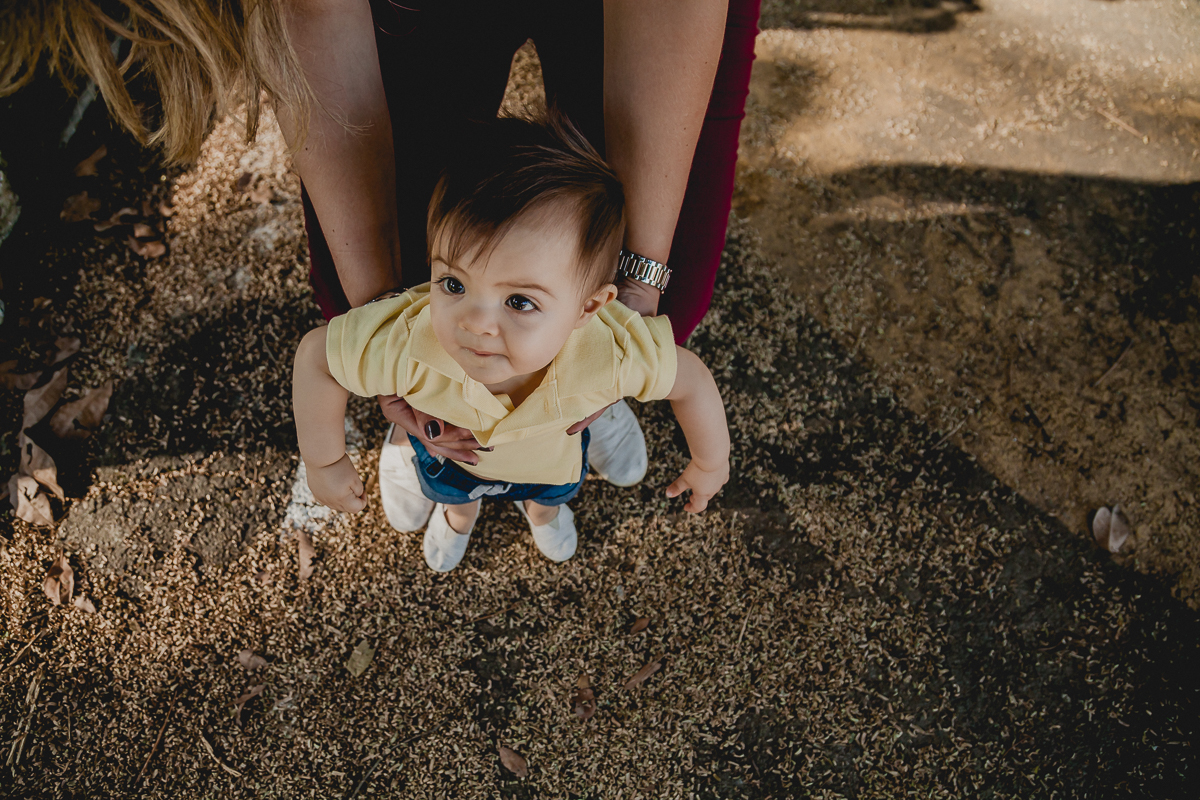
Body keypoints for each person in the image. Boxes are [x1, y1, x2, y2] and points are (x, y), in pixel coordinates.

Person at [292, 116, 730, 571]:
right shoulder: (408, 339)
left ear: (588, 308)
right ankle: (460, 515)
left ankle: (544, 513)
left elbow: (691, 379)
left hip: (550, 468)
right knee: (456, 493)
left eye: (519, 301)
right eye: (454, 284)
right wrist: (323, 461)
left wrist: (711, 461)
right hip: (455, 463)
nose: (476, 323)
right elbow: (316, 359)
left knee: (549, 497)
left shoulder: (611, 350)